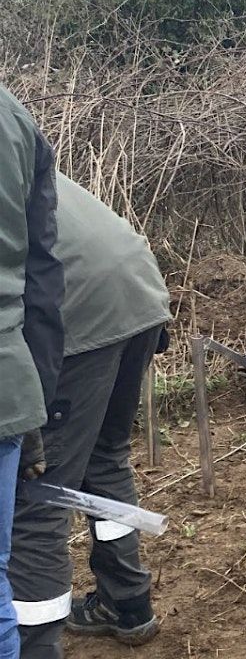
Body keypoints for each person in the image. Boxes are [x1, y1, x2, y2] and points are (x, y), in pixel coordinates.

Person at [11, 173, 170, 657]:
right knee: (104, 457)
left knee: (37, 497)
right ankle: (127, 603)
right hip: (136, 288)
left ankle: (31, 646)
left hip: (75, 314)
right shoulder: (15, 143)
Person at [0, 83, 63, 659]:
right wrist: (36, 402)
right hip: (8, 375)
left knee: (36, 510)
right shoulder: (18, 119)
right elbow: (43, 284)